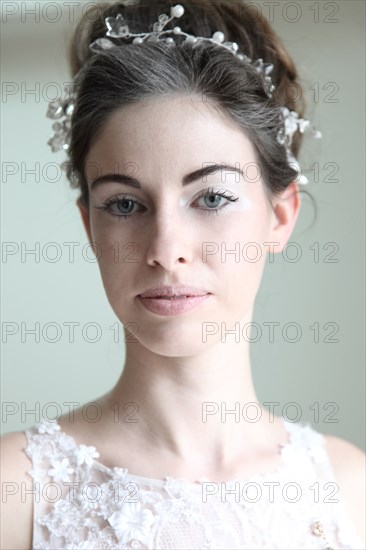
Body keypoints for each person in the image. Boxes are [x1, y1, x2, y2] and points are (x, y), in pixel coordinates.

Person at [1, 0, 365, 548]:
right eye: (124, 205)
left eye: (212, 197)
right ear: (89, 226)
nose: (165, 249)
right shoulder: (19, 492)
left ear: (280, 215)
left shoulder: (347, 488)